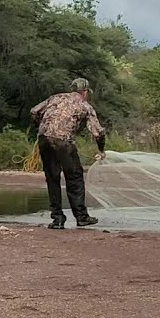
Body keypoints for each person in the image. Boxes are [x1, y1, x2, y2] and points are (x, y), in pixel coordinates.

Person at [29, 78, 107, 229]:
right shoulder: (85, 105)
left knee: (52, 178)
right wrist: (101, 150)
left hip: (44, 139)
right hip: (64, 142)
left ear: (72, 89)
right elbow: (98, 132)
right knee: (74, 177)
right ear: (85, 92)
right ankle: (81, 217)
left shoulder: (55, 98)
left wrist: (39, 127)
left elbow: (34, 111)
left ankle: (57, 219)